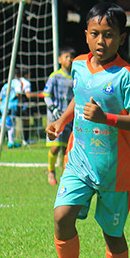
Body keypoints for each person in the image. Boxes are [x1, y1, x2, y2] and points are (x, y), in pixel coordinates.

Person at [45, 2, 130, 258]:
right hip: (79, 162)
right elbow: (80, 95)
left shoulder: (127, 76)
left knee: (112, 234)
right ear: (86, 36)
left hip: (114, 171)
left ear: (121, 38)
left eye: (109, 35)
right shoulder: (77, 65)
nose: (101, 41)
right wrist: (63, 122)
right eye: (95, 34)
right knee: (62, 217)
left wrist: (107, 118)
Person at [44, 47, 75, 184]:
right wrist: (52, 108)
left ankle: (65, 175)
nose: (69, 59)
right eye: (66, 57)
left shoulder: (75, 77)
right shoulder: (55, 76)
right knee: (55, 146)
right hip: (56, 117)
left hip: (70, 118)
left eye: (71, 57)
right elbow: (46, 95)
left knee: (67, 148)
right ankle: (51, 171)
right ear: (60, 59)